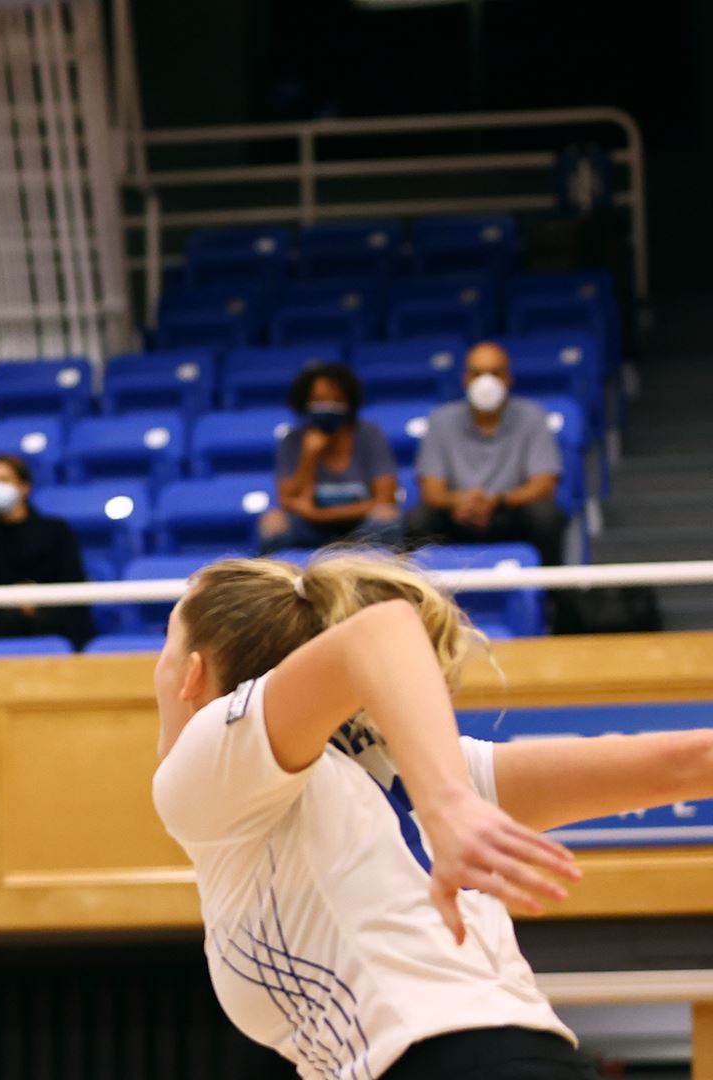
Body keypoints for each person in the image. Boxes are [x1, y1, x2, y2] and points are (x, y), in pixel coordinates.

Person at [150, 551, 713, 1078]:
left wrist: (448, 804)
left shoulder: (208, 766)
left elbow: (383, 627)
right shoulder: (413, 762)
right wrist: (450, 796)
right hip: (536, 1058)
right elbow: (689, 764)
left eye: (164, 649)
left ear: (192, 677)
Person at [406, 342, 567, 567]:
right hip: (457, 514)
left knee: (546, 515)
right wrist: (461, 501)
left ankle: (552, 596)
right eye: (477, 373)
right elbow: (431, 490)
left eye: (495, 373)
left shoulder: (533, 416)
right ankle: (421, 596)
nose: (486, 382)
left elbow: (544, 484)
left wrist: (496, 501)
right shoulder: (441, 419)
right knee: (418, 519)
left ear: (508, 378)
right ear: (465, 379)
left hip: (509, 513)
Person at [258, 362, 401, 553]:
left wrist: (323, 514)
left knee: (386, 519)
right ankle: (275, 580)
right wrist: (308, 456)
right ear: (305, 403)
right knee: (272, 523)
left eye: (337, 400)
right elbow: (287, 501)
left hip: (360, 525)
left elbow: (385, 499)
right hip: (309, 527)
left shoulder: (370, 434)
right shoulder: (292, 440)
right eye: (319, 400)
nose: (328, 407)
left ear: (349, 402)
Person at [0, 454, 93, 648]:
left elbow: (74, 581)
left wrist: (37, 598)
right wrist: (14, 598)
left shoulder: (57, 530)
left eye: (4, 480)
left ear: (24, 486)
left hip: (57, 619)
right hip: (2, 623)